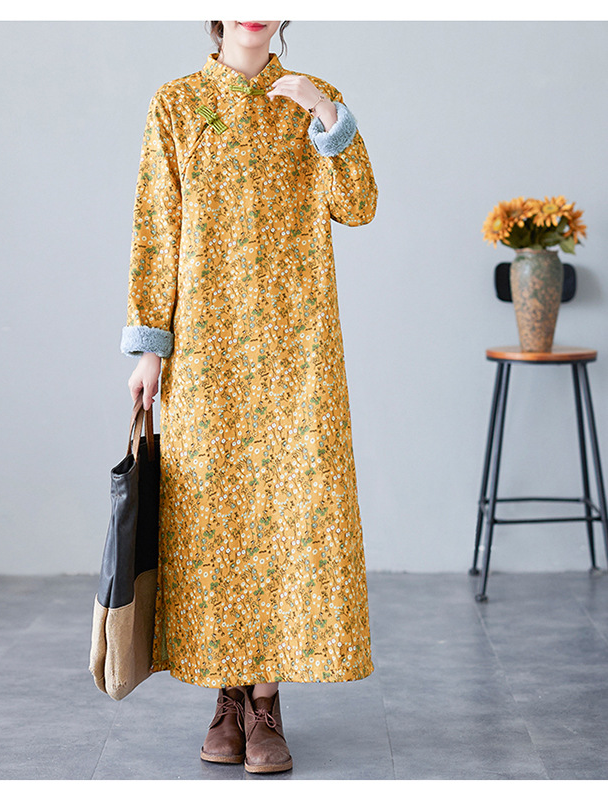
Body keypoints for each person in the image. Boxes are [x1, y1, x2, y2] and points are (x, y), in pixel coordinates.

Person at [121, 20, 377, 775]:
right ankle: (226, 696)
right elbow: (157, 227)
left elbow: (358, 204)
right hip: (207, 350)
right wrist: (149, 347)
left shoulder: (313, 99)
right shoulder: (176, 103)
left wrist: (325, 114)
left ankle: (266, 704)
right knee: (215, 516)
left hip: (298, 351)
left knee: (289, 516)